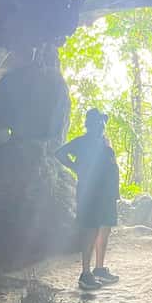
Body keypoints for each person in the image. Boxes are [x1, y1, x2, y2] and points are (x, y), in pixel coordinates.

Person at [55, 109, 121, 290]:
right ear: (90, 124)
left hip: (106, 193)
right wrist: (76, 167)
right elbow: (60, 153)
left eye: (102, 122)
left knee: (105, 228)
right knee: (90, 230)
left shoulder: (104, 143)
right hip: (90, 192)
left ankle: (99, 268)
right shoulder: (82, 142)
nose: (101, 125)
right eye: (98, 122)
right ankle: (86, 273)